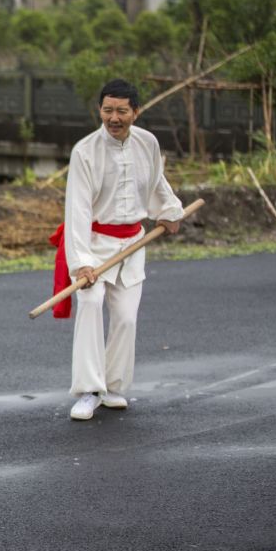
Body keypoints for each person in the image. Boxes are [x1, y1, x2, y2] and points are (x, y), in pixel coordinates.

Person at [52, 79, 183, 421]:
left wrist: (170, 211)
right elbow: (77, 209)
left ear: (135, 112)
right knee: (91, 304)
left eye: (121, 111)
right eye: (107, 110)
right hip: (94, 245)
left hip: (134, 243)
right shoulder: (85, 150)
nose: (114, 117)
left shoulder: (148, 143)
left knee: (125, 317)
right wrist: (80, 262)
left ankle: (112, 387)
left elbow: (156, 182)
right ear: (100, 110)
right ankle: (88, 391)